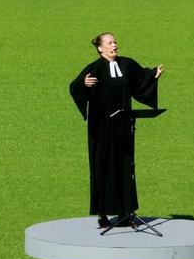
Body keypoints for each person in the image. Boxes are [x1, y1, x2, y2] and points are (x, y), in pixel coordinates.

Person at [68, 33, 163, 230]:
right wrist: (83, 85)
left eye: (115, 42)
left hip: (122, 126)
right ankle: (102, 213)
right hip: (101, 127)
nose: (115, 45)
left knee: (125, 167)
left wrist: (153, 75)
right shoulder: (94, 68)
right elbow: (75, 87)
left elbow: (140, 80)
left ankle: (125, 212)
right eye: (110, 42)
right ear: (100, 48)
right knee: (102, 166)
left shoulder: (127, 64)